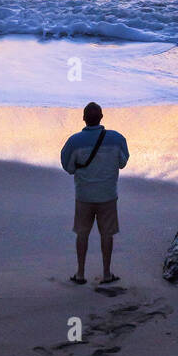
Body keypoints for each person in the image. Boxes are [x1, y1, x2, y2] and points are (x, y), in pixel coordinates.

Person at [60, 102, 129, 284]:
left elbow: (68, 167)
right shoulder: (117, 138)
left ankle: (80, 274)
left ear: (83, 118)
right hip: (107, 195)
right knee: (107, 235)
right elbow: (122, 162)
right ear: (102, 117)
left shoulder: (74, 141)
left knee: (82, 234)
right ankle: (107, 274)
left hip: (84, 196)